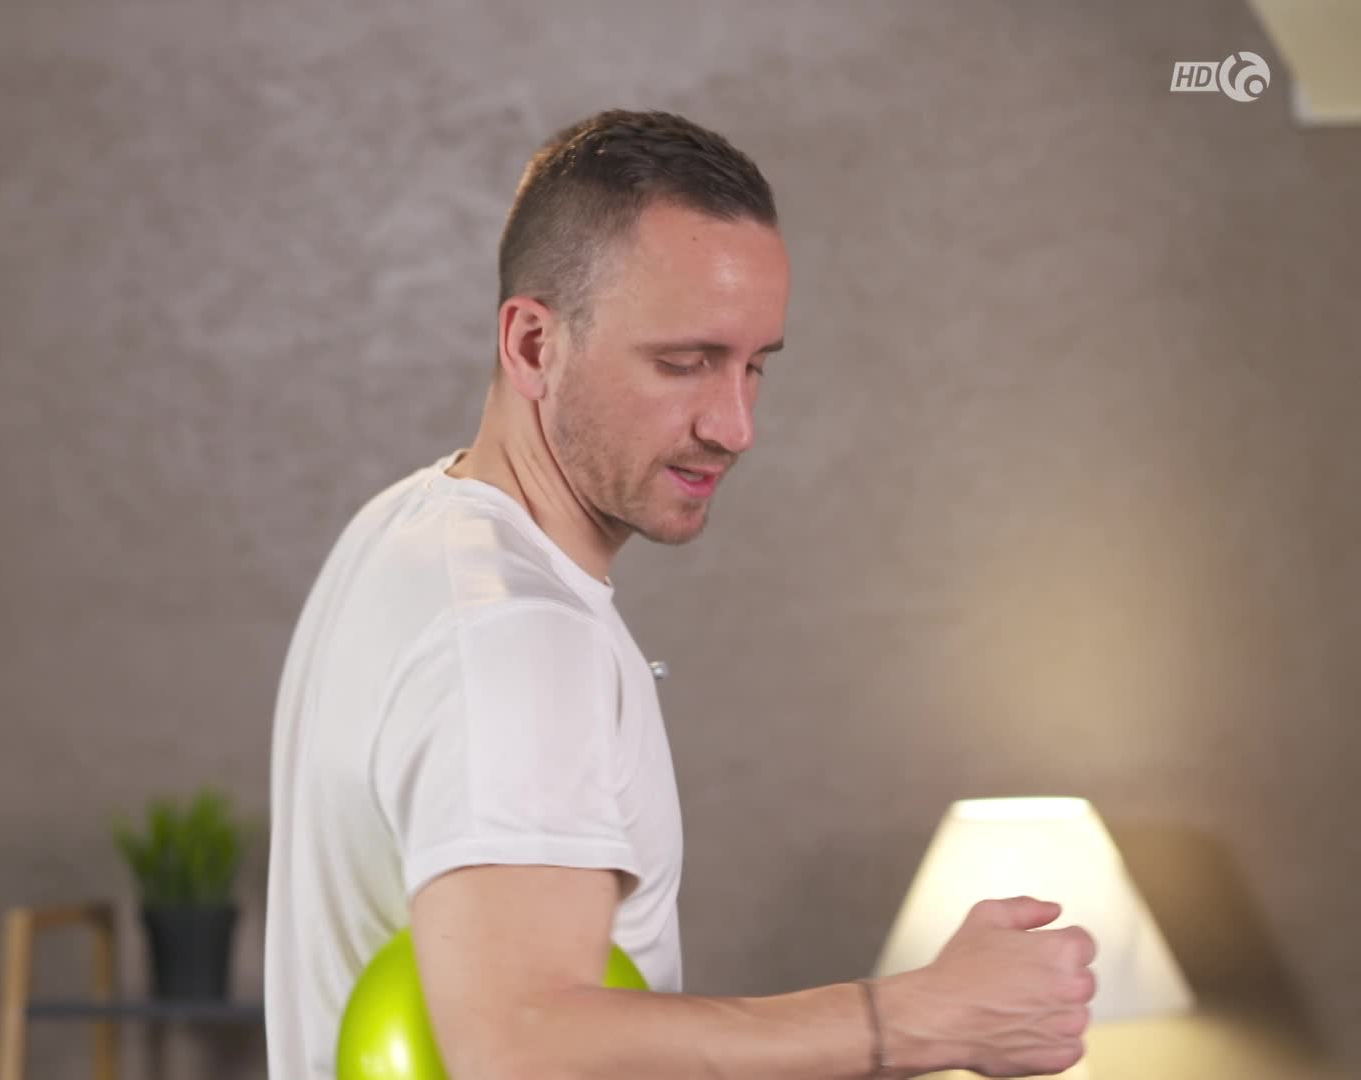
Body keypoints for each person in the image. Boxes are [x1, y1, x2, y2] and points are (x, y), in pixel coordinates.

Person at [264, 109, 1096, 1079]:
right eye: (685, 364)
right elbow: (516, 1047)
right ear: (532, 344)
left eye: (755, 366)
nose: (735, 426)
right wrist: (919, 1020)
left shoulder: (408, 529)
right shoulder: (517, 636)